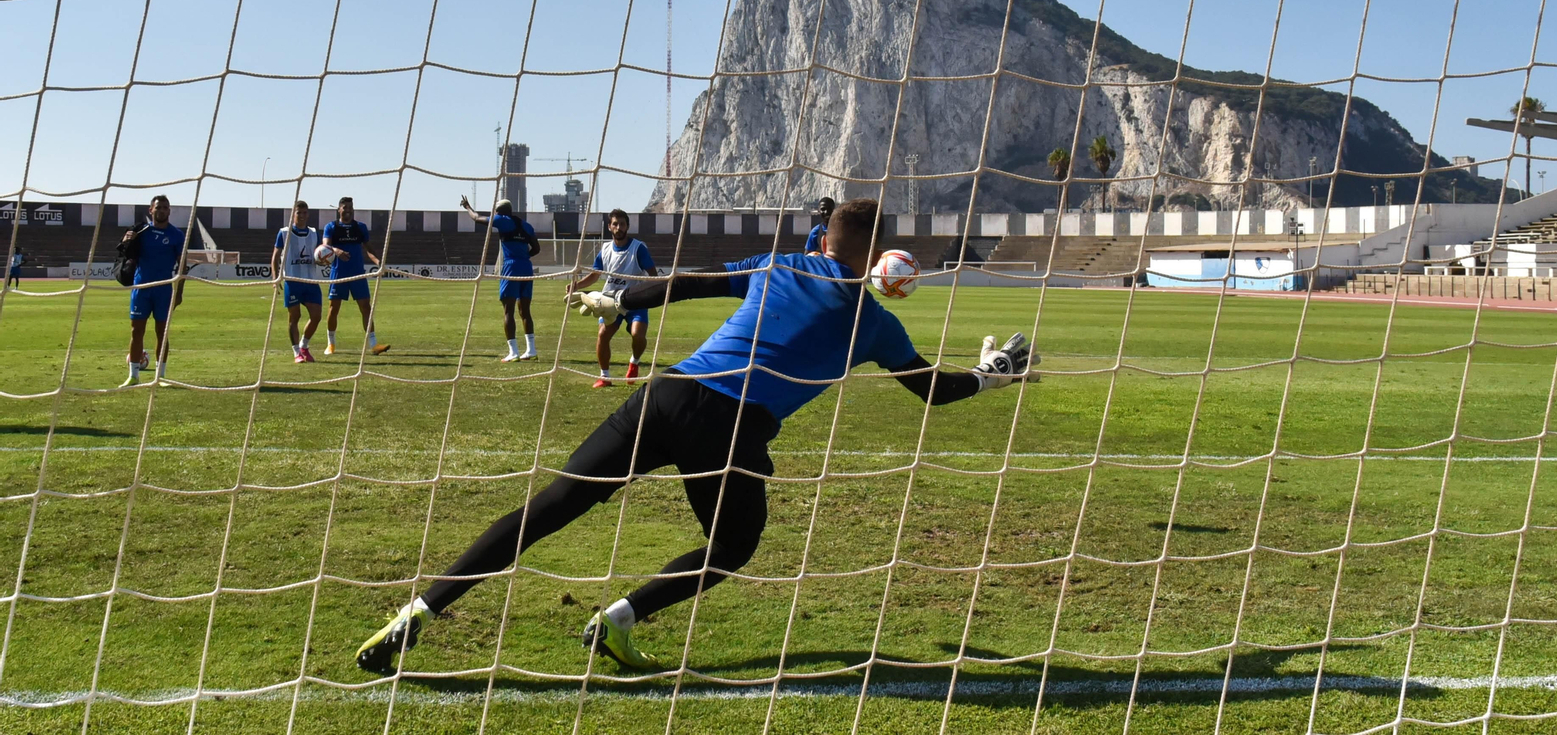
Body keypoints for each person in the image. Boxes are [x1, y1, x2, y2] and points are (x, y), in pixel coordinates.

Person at [355, 198, 1038, 674]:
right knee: (734, 545)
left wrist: (618, 300)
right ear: (881, 254)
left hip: (667, 394)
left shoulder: (781, 266)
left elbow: (685, 283)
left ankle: (418, 609)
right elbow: (933, 392)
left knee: (549, 508)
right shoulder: (878, 324)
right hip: (730, 428)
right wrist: (995, 374)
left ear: (825, 241)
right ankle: (620, 619)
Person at [565, 209, 659, 386]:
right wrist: (577, 286)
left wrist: (651, 293)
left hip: (635, 300)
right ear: (610, 227)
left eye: (622, 224)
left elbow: (652, 274)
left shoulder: (638, 248)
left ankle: (634, 363)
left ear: (627, 226)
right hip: (609, 301)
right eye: (615, 224)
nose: (619, 227)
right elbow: (595, 275)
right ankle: (605, 376)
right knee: (603, 335)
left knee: (638, 335)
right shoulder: (606, 248)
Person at [460, 195, 541, 362]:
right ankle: (531, 350)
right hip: (526, 267)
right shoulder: (526, 225)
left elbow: (476, 218)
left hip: (511, 267)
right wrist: (524, 256)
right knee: (525, 310)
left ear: (499, 211)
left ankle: (513, 352)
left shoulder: (502, 220)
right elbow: (536, 248)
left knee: (508, 310)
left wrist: (467, 206)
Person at [120, 195, 190, 387]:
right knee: (137, 331)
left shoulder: (176, 235)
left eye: (165, 208)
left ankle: (161, 377)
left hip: (164, 290)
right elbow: (125, 253)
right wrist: (127, 240)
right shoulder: (141, 231)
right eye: (158, 207)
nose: (161, 210)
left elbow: (182, 265)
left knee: (162, 332)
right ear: (151, 210)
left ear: (169, 211)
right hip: (141, 288)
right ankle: (133, 376)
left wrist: (179, 291)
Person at [322, 197, 388, 356]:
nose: (348, 210)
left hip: (358, 274)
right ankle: (331, 344)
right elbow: (325, 246)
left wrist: (379, 262)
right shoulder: (331, 227)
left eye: (351, 207)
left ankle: (374, 344)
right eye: (345, 207)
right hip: (339, 274)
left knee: (366, 308)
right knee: (333, 308)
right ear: (339, 209)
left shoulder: (360, 227)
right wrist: (336, 251)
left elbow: (369, 249)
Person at [271, 200, 323, 363]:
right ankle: (296, 353)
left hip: (311, 281)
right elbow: (274, 257)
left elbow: (319, 254)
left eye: (304, 212)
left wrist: (324, 259)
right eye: (298, 212)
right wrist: (275, 277)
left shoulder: (314, 233)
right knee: (295, 317)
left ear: (308, 214)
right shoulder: (284, 233)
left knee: (316, 316)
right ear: (293, 214)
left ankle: (304, 346)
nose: (302, 215)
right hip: (292, 281)